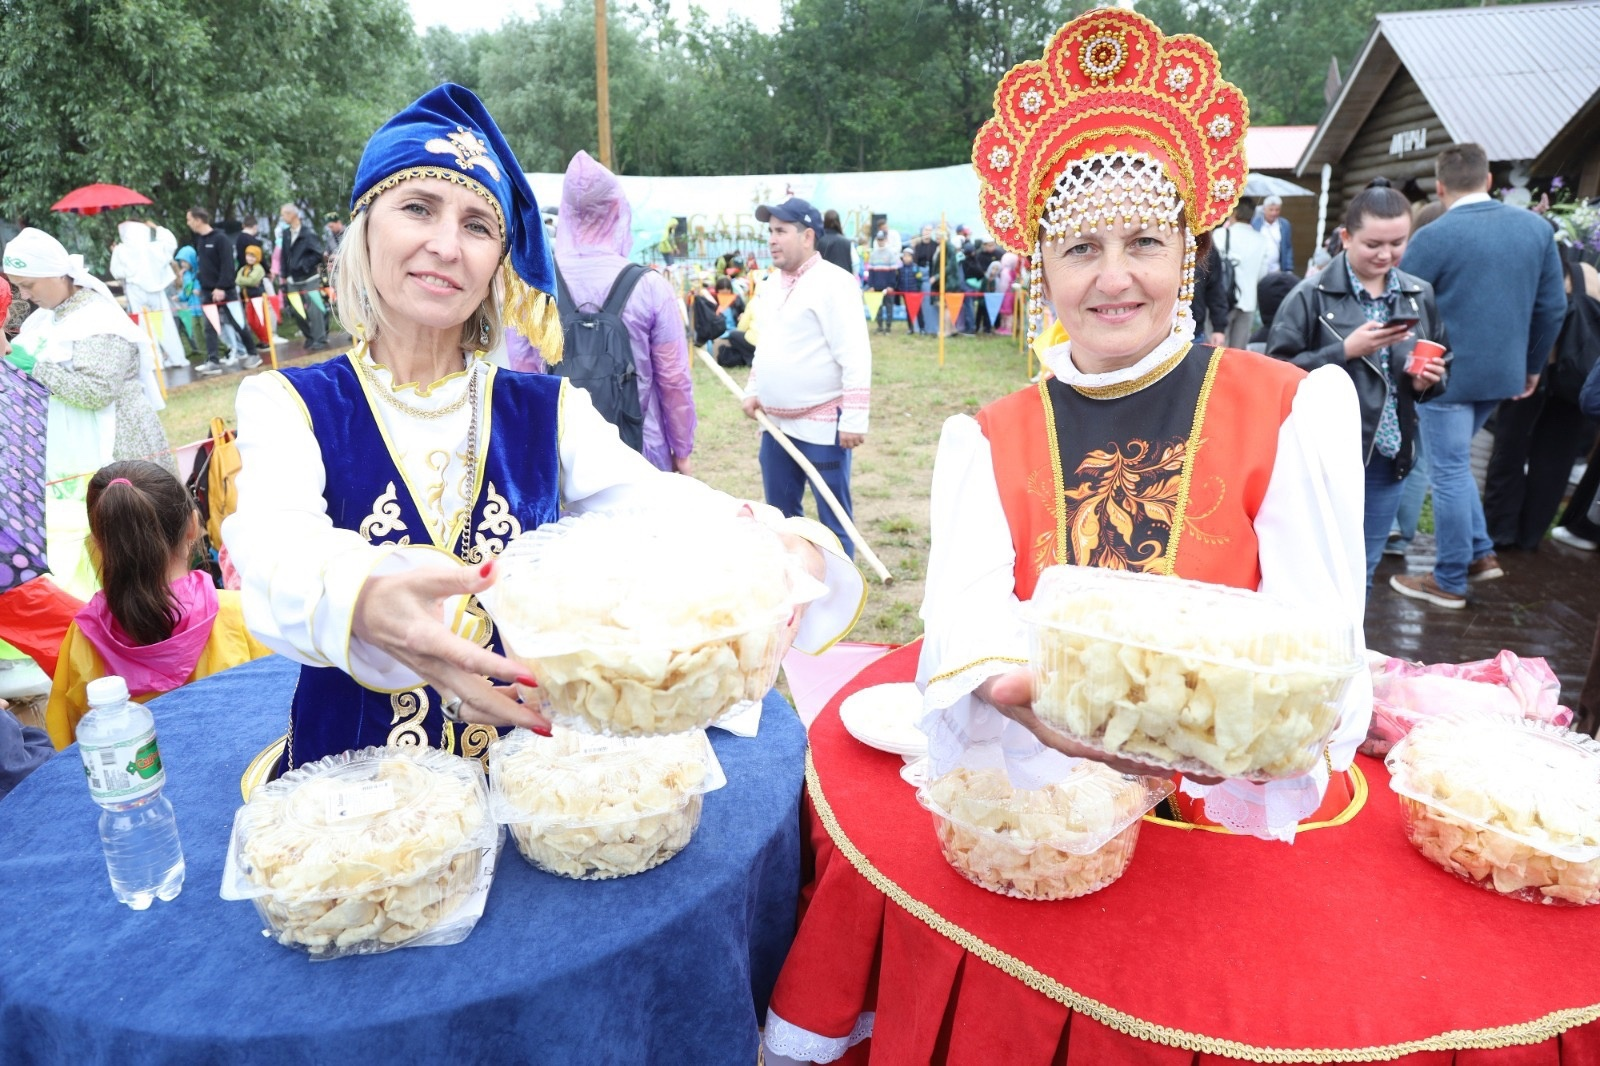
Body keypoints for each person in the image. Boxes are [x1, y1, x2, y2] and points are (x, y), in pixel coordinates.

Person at [222, 85, 863, 770]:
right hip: (363, 802)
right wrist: (365, 597)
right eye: (417, 208)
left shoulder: (544, 409)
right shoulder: (288, 402)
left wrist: (786, 545)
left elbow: (660, 505)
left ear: (501, 260)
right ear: (364, 227)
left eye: (476, 225)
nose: (445, 245)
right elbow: (272, 549)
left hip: (529, 780)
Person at [919, 7, 1368, 843]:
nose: (1115, 278)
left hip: (1216, 809)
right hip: (1049, 801)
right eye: (1081, 248)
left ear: (1187, 257)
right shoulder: (989, 436)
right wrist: (1002, 686)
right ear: (1041, 273)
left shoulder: (1282, 408)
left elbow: (1315, 631)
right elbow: (965, 608)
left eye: (1145, 243)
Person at [1392, 143, 1566, 608]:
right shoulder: (1537, 228)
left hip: (1444, 374)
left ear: (1441, 187)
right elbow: (1554, 307)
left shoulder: (1434, 235)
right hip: (1506, 371)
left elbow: (1402, 305)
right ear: (1489, 180)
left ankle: (1449, 580)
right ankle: (1479, 554)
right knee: (1455, 466)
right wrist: (1531, 367)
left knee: (1448, 471)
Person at [1267, 180, 1447, 587]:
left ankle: (1350, 649)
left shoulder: (1419, 293)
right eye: (1373, 245)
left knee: (1361, 570)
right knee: (1312, 571)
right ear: (1346, 237)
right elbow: (1275, 371)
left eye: (1398, 243)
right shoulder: (1311, 294)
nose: (1386, 255)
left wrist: (1427, 381)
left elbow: (1440, 361)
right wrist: (1344, 350)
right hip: (1324, 456)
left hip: (1388, 454)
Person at [45, 461, 272, 748]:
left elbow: (67, 747)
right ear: (193, 526)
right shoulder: (243, 614)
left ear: (99, 544)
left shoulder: (82, 639)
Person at [505, 150, 696, 474]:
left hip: (563, 455)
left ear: (565, 213)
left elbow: (523, 374)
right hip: (639, 453)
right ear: (618, 210)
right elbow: (674, 378)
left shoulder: (534, 287)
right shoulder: (649, 286)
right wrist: (682, 449)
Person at [741, 197, 871, 558]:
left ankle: (843, 590)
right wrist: (753, 390)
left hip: (822, 425)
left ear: (808, 236)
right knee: (780, 518)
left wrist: (855, 420)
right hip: (775, 425)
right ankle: (794, 588)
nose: (772, 239)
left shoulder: (835, 284)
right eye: (770, 231)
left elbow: (856, 354)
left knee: (834, 518)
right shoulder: (769, 284)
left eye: (781, 231)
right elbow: (764, 345)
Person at [2, 228, 173, 475]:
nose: (25, 295)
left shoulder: (98, 319)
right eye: (18, 287)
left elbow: (98, 391)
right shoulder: (44, 317)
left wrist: (36, 368)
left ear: (57, 275)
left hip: (122, 447)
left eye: (28, 285)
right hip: (81, 447)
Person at [1482, 242, 1600, 552]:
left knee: (1509, 450)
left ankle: (1500, 532)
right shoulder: (1588, 274)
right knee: (1555, 460)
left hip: (1527, 371)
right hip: (1578, 376)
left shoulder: (1527, 276)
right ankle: (1530, 536)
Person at [109, 220, 187, 370]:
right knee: (165, 324)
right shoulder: (153, 247)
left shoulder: (121, 250)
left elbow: (116, 271)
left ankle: (155, 361)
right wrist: (157, 228)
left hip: (135, 290)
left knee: (144, 326)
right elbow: (170, 243)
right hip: (156, 289)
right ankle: (176, 358)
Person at [184, 207, 249, 375]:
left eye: (189, 219)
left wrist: (221, 287)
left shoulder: (221, 238)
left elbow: (228, 266)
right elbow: (204, 265)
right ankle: (213, 360)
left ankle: (252, 353)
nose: (188, 223)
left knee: (237, 323)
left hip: (225, 291)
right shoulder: (200, 240)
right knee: (210, 327)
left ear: (198, 220)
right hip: (207, 291)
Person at [1218, 199, 1272, 349]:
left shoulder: (1220, 235)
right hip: (1248, 301)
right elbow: (1263, 273)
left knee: (1215, 350)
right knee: (1238, 352)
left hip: (1223, 300)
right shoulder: (1261, 240)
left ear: (1234, 212)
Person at [275, 203, 329, 353]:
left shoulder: (308, 233)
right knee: (297, 311)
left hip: (309, 278)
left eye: (284, 214)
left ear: (293, 215)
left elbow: (318, 253)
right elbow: (284, 257)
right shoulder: (285, 234)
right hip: (293, 280)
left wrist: (304, 265)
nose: (282, 217)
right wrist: (284, 277)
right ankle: (309, 337)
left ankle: (320, 338)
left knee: (314, 310)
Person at [233, 245, 268, 365]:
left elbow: (251, 281)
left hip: (258, 297)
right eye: (248, 255)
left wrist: (245, 281)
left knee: (260, 320)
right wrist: (246, 281)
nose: (250, 258)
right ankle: (261, 339)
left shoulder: (259, 268)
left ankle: (265, 340)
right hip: (248, 298)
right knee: (251, 321)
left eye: (253, 256)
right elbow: (237, 280)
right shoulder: (243, 268)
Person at [1253, 194, 1295, 272]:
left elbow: (1288, 247)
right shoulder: (1255, 223)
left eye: (1277, 210)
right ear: (1264, 209)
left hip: (1277, 268)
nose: (1274, 213)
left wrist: (1289, 268)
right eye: (1271, 210)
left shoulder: (1285, 224)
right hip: (1258, 269)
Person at [866, 232, 897, 333]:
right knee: (877, 307)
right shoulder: (873, 254)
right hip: (876, 286)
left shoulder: (891, 253)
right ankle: (879, 326)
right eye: (878, 239)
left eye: (882, 239)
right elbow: (870, 271)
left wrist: (891, 285)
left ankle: (888, 327)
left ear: (885, 240)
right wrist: (870, 285)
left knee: (889, 307)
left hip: (888, 286)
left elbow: (893, 271)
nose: (880, 241)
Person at [893, 247, 925, 335]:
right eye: (905, 256)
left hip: (914, 293)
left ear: (912, 257)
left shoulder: (916, 268)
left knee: (918, 311)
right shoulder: (900, 269)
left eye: (908, 256)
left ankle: (922, 328)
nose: (906, 258)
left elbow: (919, 280)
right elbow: (898, 280)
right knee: (908, 311)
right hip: (905, 293)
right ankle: (911, 328)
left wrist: (917, 290)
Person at [817, 209, 854, 275]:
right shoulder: (847, 242)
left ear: (824, 222)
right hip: (844, 281)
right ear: (839, 221)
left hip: (823, 280)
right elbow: (855, 264)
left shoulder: (818, 241)